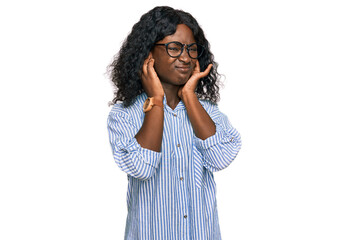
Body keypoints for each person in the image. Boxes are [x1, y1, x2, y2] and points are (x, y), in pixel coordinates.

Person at [107, 6, 241, 240]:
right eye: (174, 48)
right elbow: (141, 167)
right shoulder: (125, 115)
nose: (186, 57)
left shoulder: (208, 112)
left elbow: (221, 158)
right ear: (148, 53)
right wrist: (156, 100)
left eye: (191, 49)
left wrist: (190, 97)